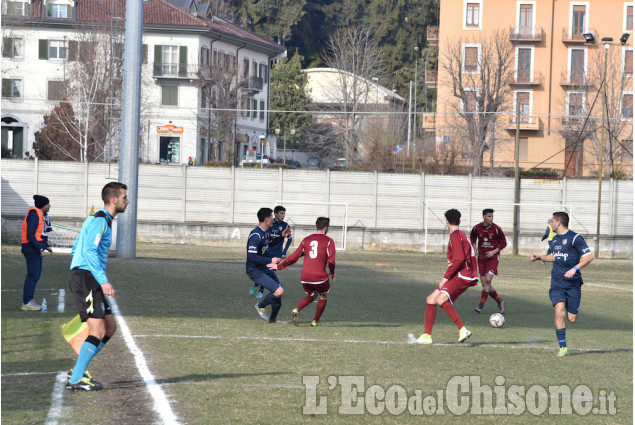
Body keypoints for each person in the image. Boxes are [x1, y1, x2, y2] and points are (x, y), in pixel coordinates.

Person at [66, 182, 129, 391]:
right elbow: (89, 251)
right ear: (114, 199)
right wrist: (102, 280)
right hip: (87, 278)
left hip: (88, 277)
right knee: (98, 329)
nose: (127, 201)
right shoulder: (100, 220)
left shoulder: (100, 220)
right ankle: (76, 378)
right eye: (124, 197)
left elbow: (77, 246)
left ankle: (78, 369)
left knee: (109, 327)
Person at [531, 211, 593, 357]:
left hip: (573, 284)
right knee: (559, 312)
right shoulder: (554, 240)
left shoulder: (575, 238)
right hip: (557, 282)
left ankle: (572, 313)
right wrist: (540, 257)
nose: (550, 224)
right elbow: (553, 256)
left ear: (558, 223)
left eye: (551, 221)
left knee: (572, 318)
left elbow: (589, 256)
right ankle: (563, 347)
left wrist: (574, 269)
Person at [411, 209, 478, 344]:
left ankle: (462, 329)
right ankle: (426, 336)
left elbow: (459, 259)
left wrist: (446, 277)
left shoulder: (455, 235)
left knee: (441, 299)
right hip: (460, 274)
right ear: (459, 221)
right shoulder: (460, 234)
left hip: (461, 275)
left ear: (446, 221)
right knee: (431, 299)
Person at [268, 217, 335, 327]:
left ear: (316, 226)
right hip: (319, 276)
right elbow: (331, 261)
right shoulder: (329, 241)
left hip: (305, 276)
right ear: (326, 228)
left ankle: (297, 309)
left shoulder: (306, 239)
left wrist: (279, 267)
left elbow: (294, 257)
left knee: (312, 294)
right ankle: (315, 321)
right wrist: (332, 273)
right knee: (324, 295)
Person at [247, 208, 288, 324]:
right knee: (279, 291)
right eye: (271, 217)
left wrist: (281, 236)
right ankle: (260, 306)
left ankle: (272, 319)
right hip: (254, 270)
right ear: (266, 219)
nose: (273, 220)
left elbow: (270, 243)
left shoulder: (265, 232)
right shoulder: (256, 235)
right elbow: (251, 257)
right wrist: (271, 259)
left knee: (278, 290)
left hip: (263, 268)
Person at [250, 206, 292, 299]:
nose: (283, 215)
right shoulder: (270, 225)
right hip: (267, 252)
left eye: (284, 213)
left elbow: (289, 239)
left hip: (277, 254)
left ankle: (260, 289)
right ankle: (259, 287)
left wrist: (284, 252)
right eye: (281, 213)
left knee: (268, 271)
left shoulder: (285, 225)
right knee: (265, 271)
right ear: (275, 214)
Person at [470, 208, 507, 314]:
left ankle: (481, 304)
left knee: (488, 280)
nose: (491, 218)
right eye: (489, 216)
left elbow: (503, 243)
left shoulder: (496, 229)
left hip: (493, 258)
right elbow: (472, 237)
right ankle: (500, 301)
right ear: (484, 217)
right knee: (484, 283)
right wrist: (474, 246)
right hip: (481, 258)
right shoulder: (477, 228)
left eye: (492, 216)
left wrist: (493, 251)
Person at [21, 195, 53, 311]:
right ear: (43, 205)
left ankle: (29, 300)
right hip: (31, 249)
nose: (50, 205)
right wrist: (39, 249)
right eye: (48, 203)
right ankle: (27, 302)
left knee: (35, 275)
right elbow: (30, 235)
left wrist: (46, 246)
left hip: (33, 249)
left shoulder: (40, 215)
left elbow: (39, 235)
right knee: (33, 275)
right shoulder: (34, 215)